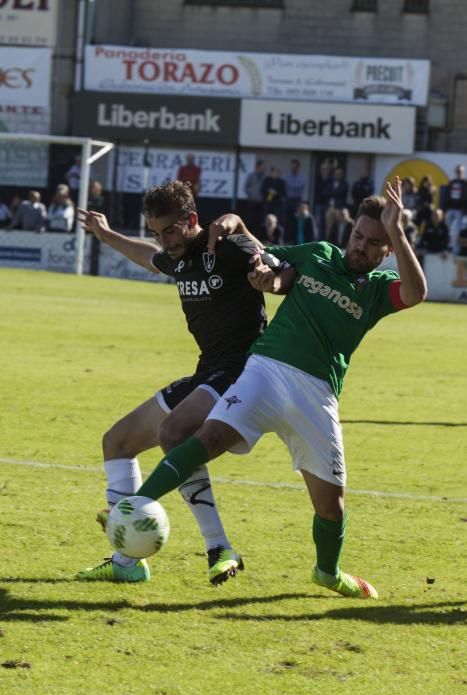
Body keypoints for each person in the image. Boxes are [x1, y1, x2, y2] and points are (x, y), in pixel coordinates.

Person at [131, 177, 427, 600]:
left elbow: (417, 294)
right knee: (209, 435)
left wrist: (398, 229)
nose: (359, 245)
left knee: (331, 506)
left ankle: (327, 572)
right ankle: (134, 504)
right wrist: (245, 238)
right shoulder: (319, 253)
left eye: (373, 242)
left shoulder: (378, 290)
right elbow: (264, 259)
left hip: (317, 394)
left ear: (388, 250)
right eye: (358, 235)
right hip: (265, 370)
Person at [76, 181, 292, 584]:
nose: (164, 241)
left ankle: (218, 546)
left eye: (170, 231)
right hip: (207, 370)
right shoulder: (177, 257)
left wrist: (267, 271)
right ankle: (128, 563)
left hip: (242, 371)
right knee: (117, 442)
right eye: (157, 232)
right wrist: (106, 235)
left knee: (173, 432)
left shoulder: (226, 248)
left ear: (192, 220)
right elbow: (149, 256)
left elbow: (282, 269)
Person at [443, 165, 467, 253]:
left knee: (457, 230)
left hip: (460, 210)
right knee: (448, 227)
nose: (459, 173)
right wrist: (445, 207)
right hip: (450, 208)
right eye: (458, 171)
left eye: (460, 172)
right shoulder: (452, 182)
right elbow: (447, 195)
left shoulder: (465, 183)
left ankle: (455, 249)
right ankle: (448, 245)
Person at [284, 159, 305, 241]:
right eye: (292, 166)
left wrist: (290, 183)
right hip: (288, 199)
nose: (293, 168)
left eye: (295, 166)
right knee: (287, 220)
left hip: (297, 200)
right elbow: (286, 184)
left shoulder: (301, 176)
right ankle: (286, 239)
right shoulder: (288, 175)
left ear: (298, 167)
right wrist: (292, 184)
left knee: (295, 219)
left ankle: (294, 239)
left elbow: (299, 185)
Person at [244, 159, 266, 233]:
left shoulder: (264, 177)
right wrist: (251, 195)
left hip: (261, 201)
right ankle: (248, 232)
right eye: (262, 166)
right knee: (250, 218)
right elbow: (246, 187)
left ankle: (257, 234)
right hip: (252, 200)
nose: (263, 168)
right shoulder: (251, 176)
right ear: (258, 167)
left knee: (259, 219)